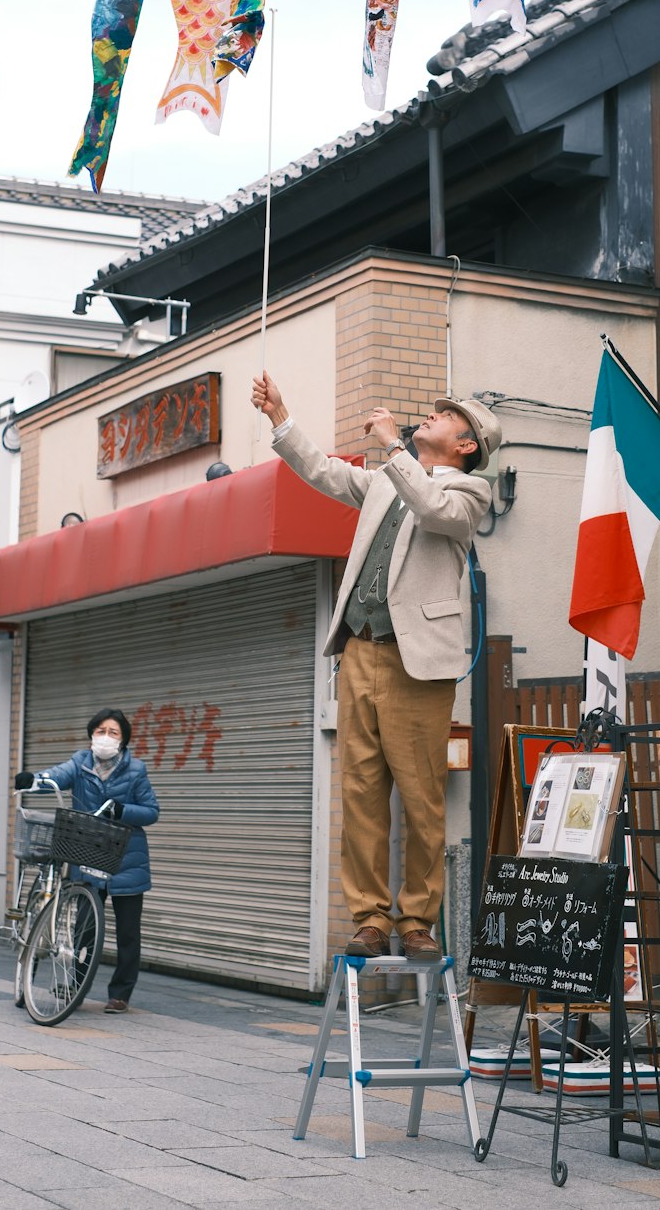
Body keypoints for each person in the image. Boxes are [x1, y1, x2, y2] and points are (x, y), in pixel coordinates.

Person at [251, 370, 501, 961]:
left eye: (443, 417)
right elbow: (325, 472)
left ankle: (417, 920)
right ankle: (369, 917)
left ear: (467, 446)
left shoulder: (470, 493)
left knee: (420, 796)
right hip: (360, 649)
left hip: (418, 662)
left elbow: (434, 507)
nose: (429, 418)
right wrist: (280, 415)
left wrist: (393, 446)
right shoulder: (391, 481)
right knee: (360, 791)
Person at [14, 709, 159, 1013]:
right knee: (85, 930)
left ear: (124, 738)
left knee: (128, 934)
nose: (106, 737)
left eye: (114, 732)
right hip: (88, 855)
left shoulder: (136, 769)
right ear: (92, 734)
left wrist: (122, 810)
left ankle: (120, 995)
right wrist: (34, 780)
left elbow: (151, 811)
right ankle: (76, 986)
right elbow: (56, 776)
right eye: (101, 730)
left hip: (126, 860)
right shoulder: (80, 763)